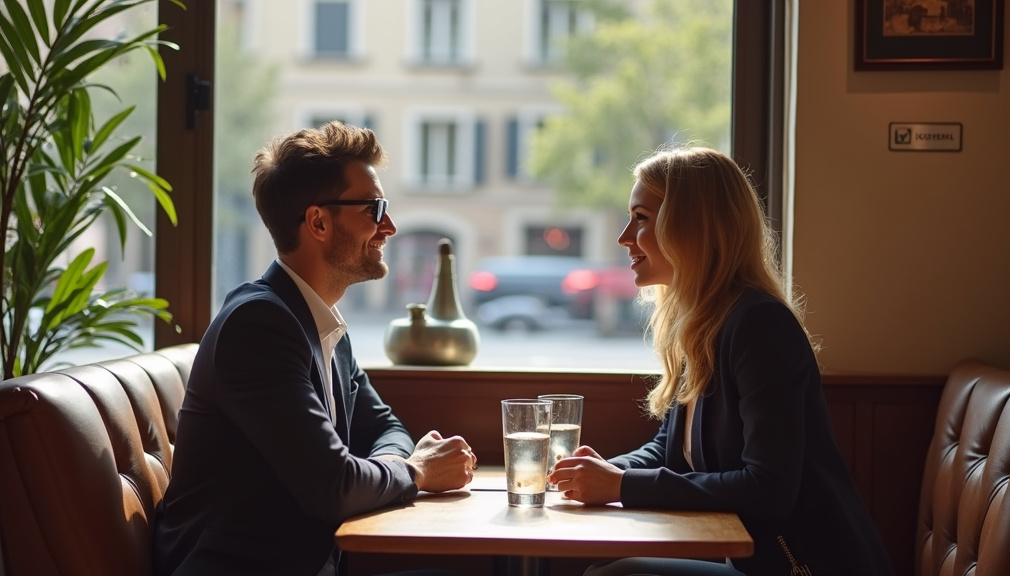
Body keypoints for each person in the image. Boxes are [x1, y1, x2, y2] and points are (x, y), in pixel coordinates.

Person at [548, 146, 894, 576]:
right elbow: (670, 448)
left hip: (804, 566)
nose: (623, 237)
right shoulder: (703, 323)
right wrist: (605, 471)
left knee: (613, 575)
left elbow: (768, 488)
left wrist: (620, 485)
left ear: (691, 227)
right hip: (758, 563)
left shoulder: (759, 325)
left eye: (640, 218)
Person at [153, 122, 476, 576]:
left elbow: (386, 428)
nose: (390, 226)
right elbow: (334, 485)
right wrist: (417, 471)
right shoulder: (258, 326)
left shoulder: (318, 320)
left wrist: (395, 463)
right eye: (374, 208)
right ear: (318, 222)